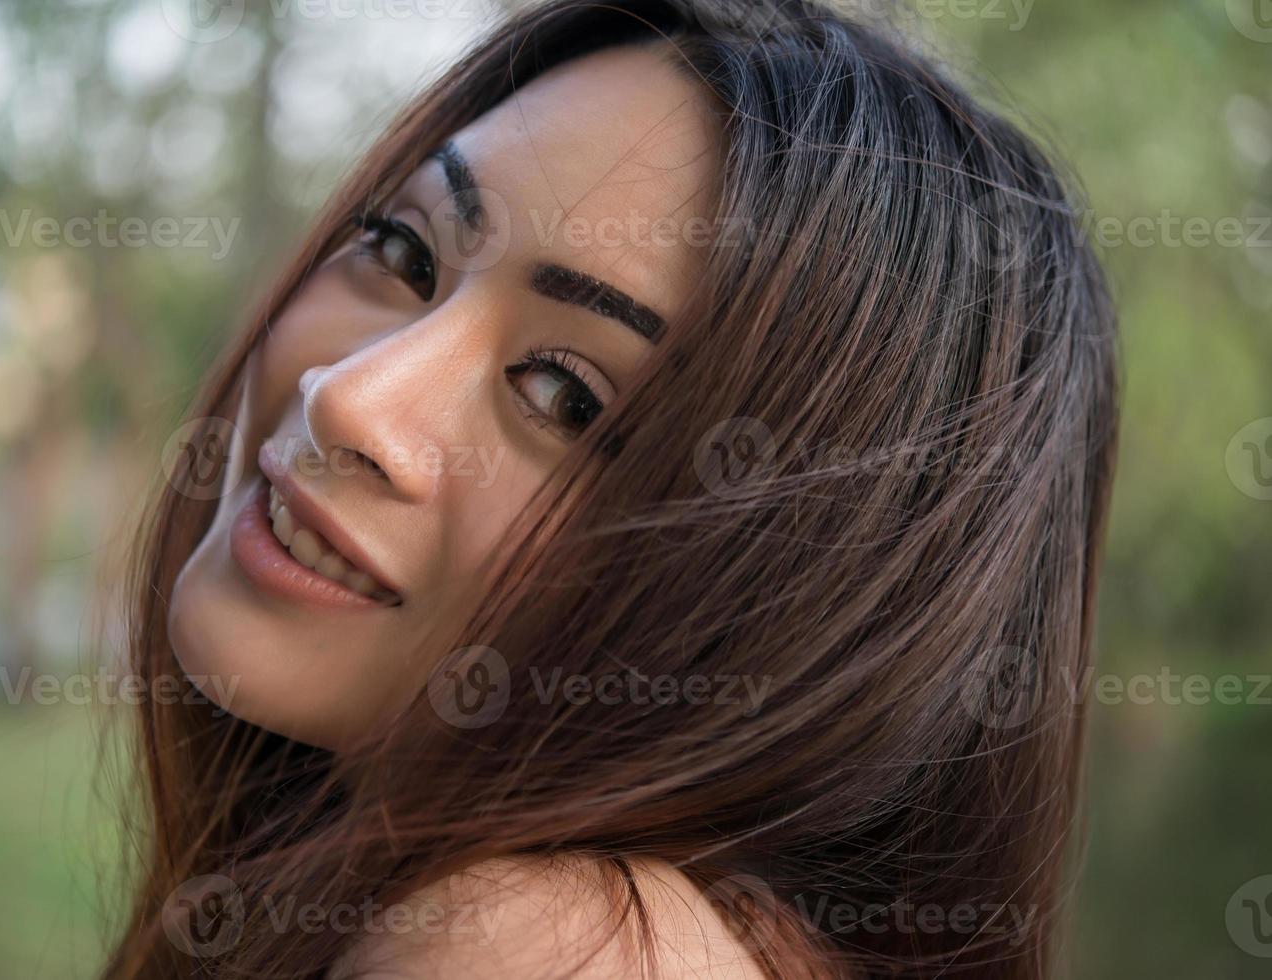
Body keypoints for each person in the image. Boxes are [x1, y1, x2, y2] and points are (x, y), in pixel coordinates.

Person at [103, 1, 1119, 977]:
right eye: (406, 252)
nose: (347, 401)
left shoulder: (559, 947)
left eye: (564, 395)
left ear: (811, 608)